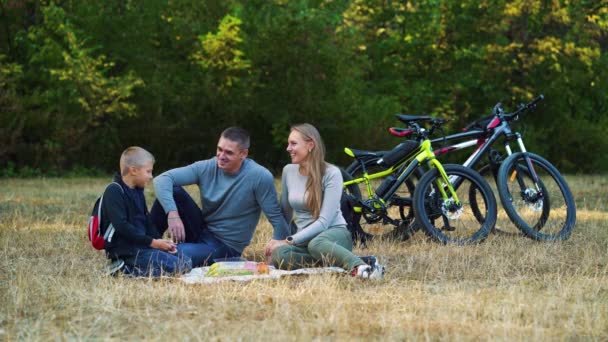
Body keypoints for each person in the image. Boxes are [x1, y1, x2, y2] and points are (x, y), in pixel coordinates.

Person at [151, 127, 289, 267]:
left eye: (228, 152)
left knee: (168, 255)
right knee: (173, 191)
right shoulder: (208, 166)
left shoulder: (259, 176)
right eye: (219, 149)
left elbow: (277, 219)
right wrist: (172, 213)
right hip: (201, 229)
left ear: (243, 154)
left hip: (225, 247)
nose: (221, 156)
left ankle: (145, 252)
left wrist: (276, 250)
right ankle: (147, 241)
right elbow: (161, 180)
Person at [265, 123, 385, 279]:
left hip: (334, 235)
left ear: (310, 145)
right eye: (288, 144)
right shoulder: (288, 171)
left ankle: (361, 267)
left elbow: (324, 222)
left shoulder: (332, 173)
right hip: (305, 241)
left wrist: (289, 241)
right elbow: (285, 214)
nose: (288, 148)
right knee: (280, 255)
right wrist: (276, 241)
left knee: (317, 244)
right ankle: (346, 261)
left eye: (293, 144)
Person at [102, 146, 192, 277]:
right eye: (148, 171)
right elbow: (122, 226)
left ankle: (135, 267)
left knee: (187, 261)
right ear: (134, 170)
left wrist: (161, 243)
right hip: (127, 250)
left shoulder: (138, 191)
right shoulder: (114, 191)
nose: (151, 176)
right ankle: (123, 269)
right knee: (180, 266)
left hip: (143, 246)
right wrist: (153, 243)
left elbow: (147, 220)